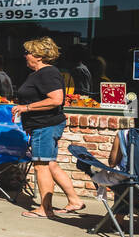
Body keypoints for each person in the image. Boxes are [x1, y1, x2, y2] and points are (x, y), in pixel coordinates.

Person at [14, 36, 86, 218]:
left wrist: (26, 108)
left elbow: (56, 99)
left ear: (38, 56)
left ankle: (45, 209)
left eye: (28, 52)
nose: (25, 56)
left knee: (41, 166)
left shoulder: (47, 73)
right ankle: (75, 200)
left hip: (45, 125)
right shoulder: (40, 74)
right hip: (45, 125)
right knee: (51, 164)